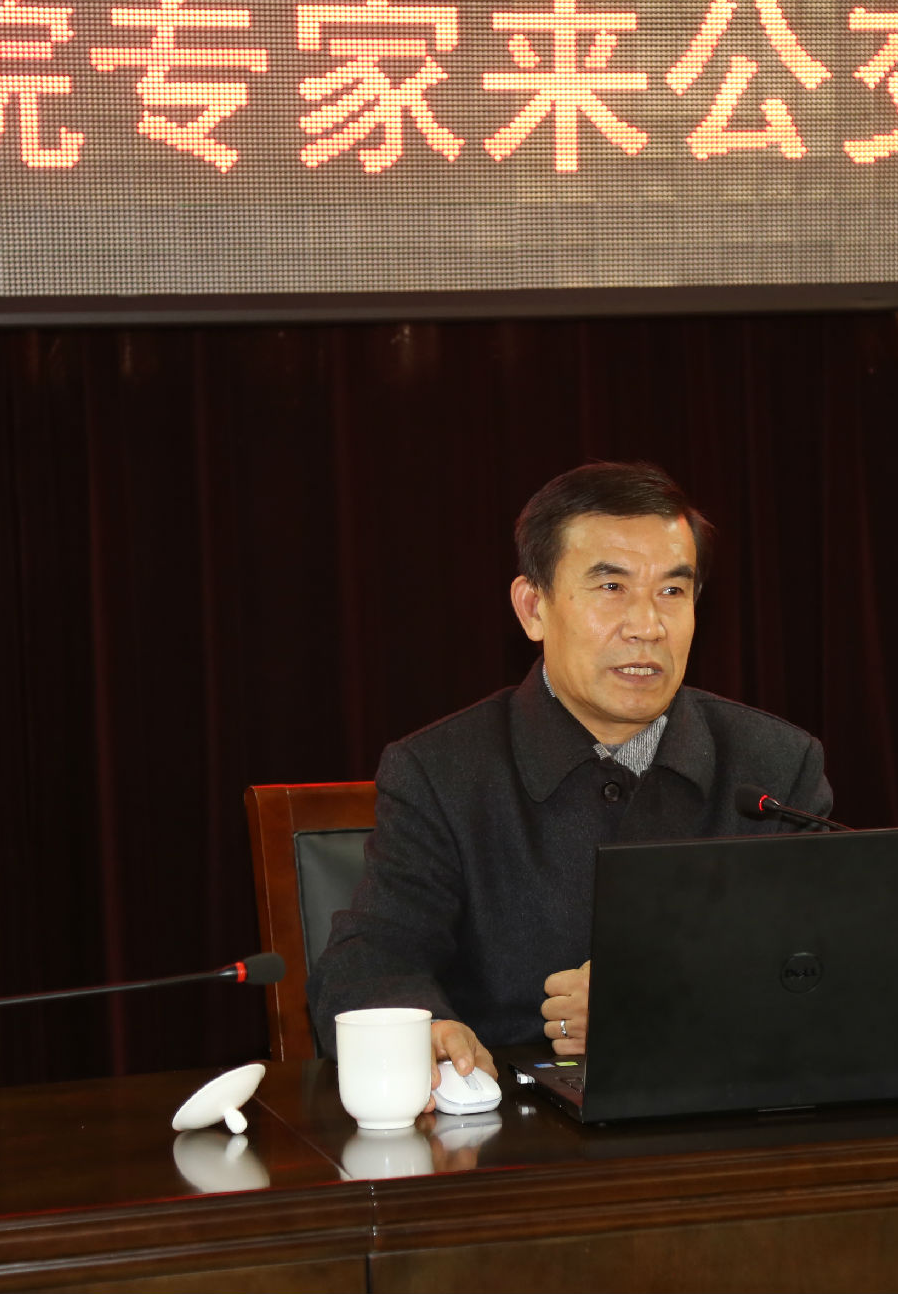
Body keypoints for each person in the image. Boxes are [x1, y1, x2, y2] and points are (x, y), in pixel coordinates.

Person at [307, 461, 832, 1087]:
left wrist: (660, 999)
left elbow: (828, 967)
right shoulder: (441, 771)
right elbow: (370, 961)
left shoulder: (774, 764)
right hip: (517, 1127)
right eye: (611, 587)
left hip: (729, 1109)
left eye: (672, 591)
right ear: (533, 607)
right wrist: (425, 1032)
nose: (648, 627)